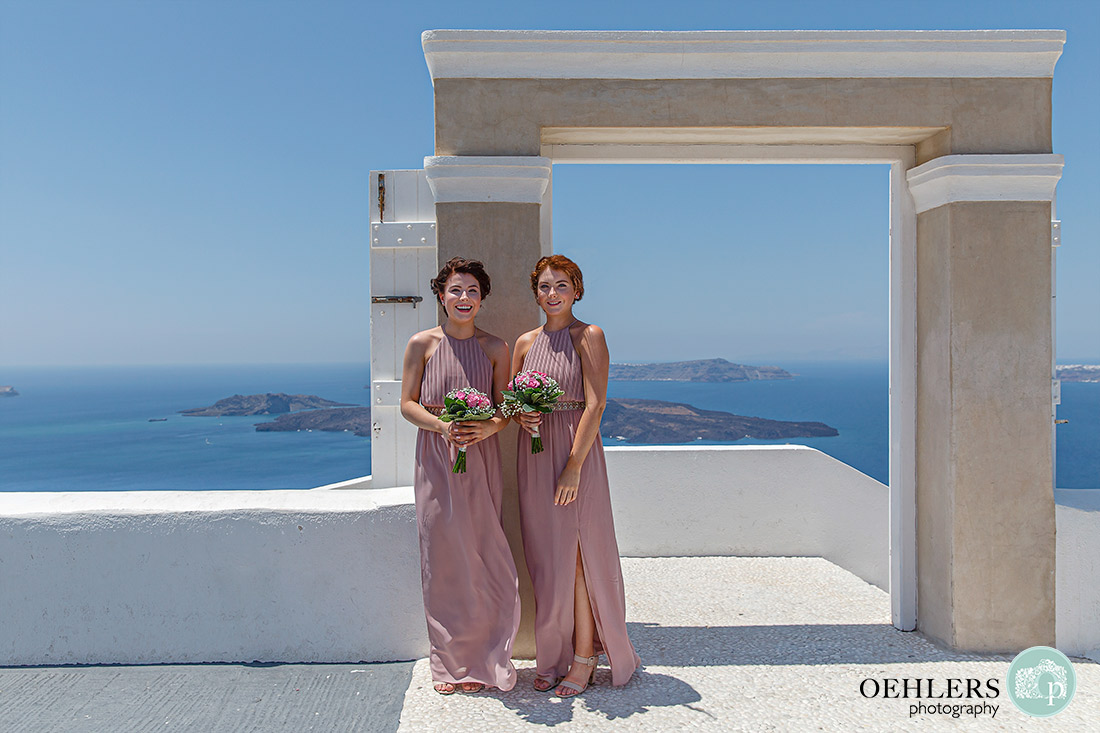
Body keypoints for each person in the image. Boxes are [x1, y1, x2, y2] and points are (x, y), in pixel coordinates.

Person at [511, 254, 640, 697]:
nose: (552, 294)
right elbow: (514, 402)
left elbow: (596, 404)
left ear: (577, 290)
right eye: (545, 286)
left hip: (575, 458)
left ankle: (584, 658)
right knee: (548, 561)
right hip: (533, 456)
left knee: (581, 559)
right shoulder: (525, 343)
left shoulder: (589, 335)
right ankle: (551, 657)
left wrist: (572, 467)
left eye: (561, 285)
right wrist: (523, 416)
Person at [399, 256, 520, 695]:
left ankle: (484, 661)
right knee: (443, 560)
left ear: (482, 298)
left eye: (472, 291)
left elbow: (506, 407)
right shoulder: (421, 344)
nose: (463, 298)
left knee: (483, 555)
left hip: (481, 459)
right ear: (441, 295)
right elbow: (407, 403)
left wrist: (488, 426)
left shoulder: (495, 348)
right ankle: (448, 665)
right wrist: (442, 427)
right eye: (455, 290)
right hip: (435, 458)